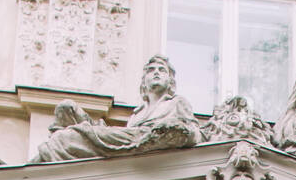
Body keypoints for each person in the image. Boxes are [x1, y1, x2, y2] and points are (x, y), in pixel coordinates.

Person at [30, 53, 201, 164]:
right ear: (144, 81)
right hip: (129, 141)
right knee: (66, 109)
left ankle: (30, 170)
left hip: (140, 140)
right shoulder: (137, 113)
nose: (156, 73)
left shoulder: (177, 103)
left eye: (162, 70)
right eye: (151, 70)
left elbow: (195, 134)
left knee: (65, 137)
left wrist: (170, 131)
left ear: (170, 82)